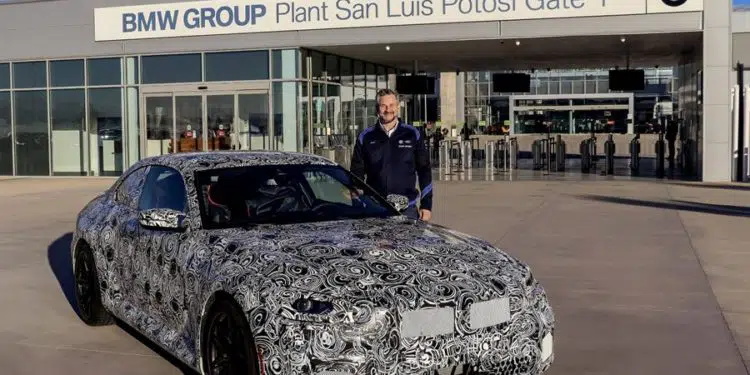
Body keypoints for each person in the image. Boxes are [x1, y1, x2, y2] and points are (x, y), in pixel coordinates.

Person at [350, 89, 433, 221]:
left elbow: (424, 170)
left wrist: (426, 205)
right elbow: (356, 174)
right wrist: (357, 203)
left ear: (398, 108)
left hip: (407, 210)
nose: (388, 110)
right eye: (383, 106)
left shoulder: (412, 134)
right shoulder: (365, 137)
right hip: (375, 210)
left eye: (392, 105)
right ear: (377, 109)